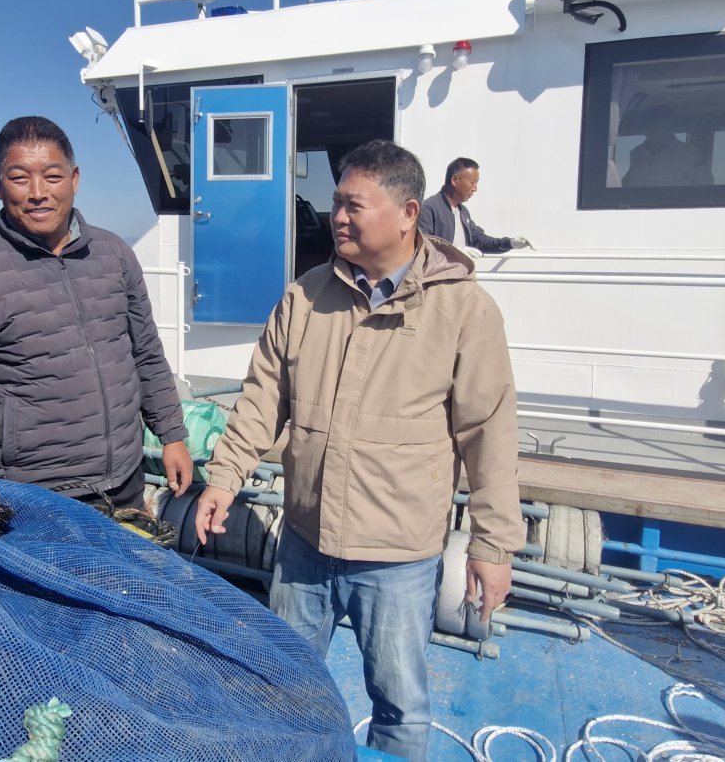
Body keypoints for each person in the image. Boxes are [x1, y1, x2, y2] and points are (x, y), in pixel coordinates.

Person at [194, 139, 526, 760]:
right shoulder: (305, 295)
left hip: (398, 554)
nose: (337, 217)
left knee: (399, 705)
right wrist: (224, 478)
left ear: (406, 213)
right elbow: (263, 396)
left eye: (354, 205)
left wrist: (493, 545)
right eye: (335, 203)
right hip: (304, 542)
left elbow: (489, 432)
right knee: (280, 687)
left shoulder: (463, 309)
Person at [0, 115, 195, 509]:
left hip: (125, 479)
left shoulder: (114, 254)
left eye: (52, 176)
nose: (38, 192)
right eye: (20, 178)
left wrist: (172, 435)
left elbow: (146, 352)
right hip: (36, 497)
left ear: (74, 179)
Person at [416, 157, 532, 258]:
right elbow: (421, 244)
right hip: (438, 280)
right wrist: (454, 252)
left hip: (462, 277)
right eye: (472, 183)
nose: (475, 188)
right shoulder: (430, 208)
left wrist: (510, 243)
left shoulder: (463, 212)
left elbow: (480, 241)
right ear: (455, 180)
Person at [621, 107, 713, 187]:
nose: (654, 129)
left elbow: (706, 183)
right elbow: (626, 183)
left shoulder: (688, 153)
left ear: (670, 127)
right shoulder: (636, 153)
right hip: (636, 205)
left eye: (660, 125)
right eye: (650, 125)